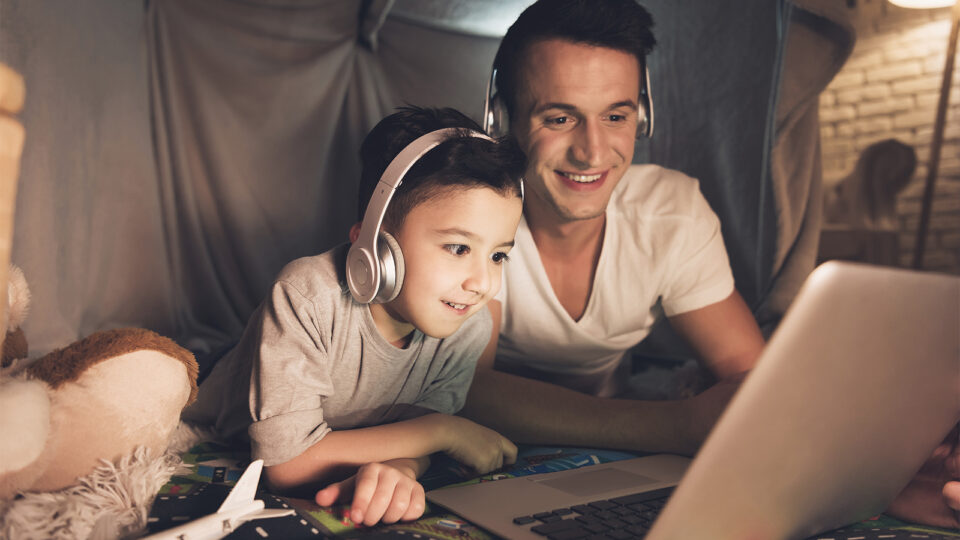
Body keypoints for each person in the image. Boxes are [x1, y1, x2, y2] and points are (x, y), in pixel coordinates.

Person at [183, 106, 524, 526]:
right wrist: (443, 431)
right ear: (374, 250)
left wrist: (401, 469)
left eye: (498, 255)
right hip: (220, 394)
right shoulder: (307, 295)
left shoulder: (467, 324)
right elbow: (286, 466)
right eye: (458, 248)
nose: (482, 282)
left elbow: (410, 435)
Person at [460, 0, 766, 458]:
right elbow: (468, 391)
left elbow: (752, 379)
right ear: (502, 120)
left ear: (642, 116)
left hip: (617, 438)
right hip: (490, 446)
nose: (592, 152)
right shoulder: (468, 212)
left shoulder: (671, 213)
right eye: (560, 119)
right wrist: (674, 426)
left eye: (615, 116)